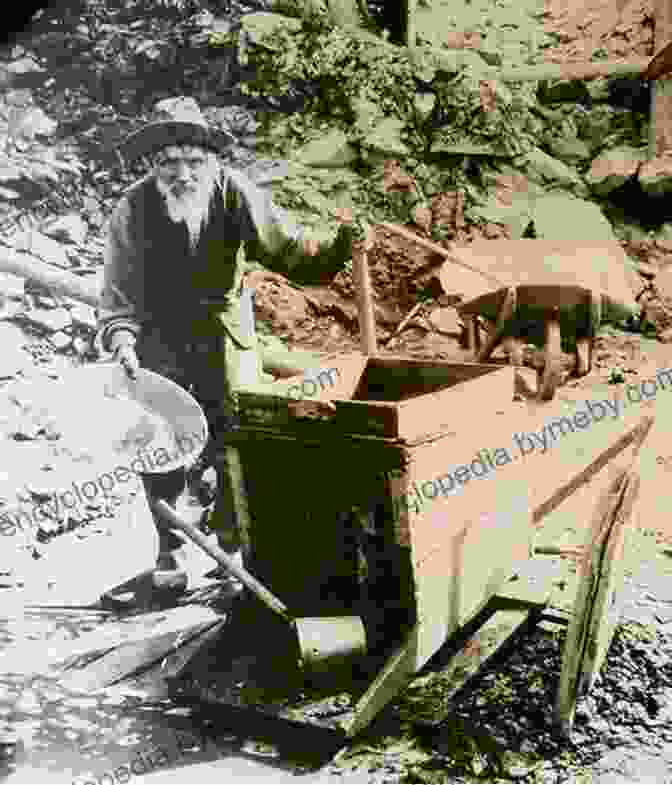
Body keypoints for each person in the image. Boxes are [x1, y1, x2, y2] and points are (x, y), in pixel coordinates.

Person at [96, 96, 355, 595]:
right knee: (159, 442)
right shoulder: (133, 207)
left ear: (210, 162)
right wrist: (123, 341)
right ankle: (170, 548)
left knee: (237, 436)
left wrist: (340, 245)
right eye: (171, 162)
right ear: (155, 164)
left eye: (194, 161)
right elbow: (117, 290)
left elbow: (289, 251)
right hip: (160, 340)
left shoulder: (233, 193)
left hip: (224, 337)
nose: (183, 174)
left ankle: (234, 545)